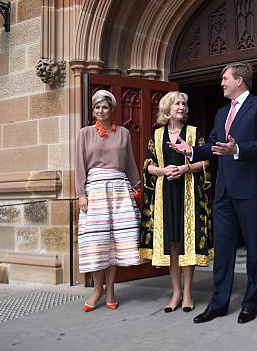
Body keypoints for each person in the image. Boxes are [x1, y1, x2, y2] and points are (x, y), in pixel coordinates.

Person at [168, 62, 257, 324]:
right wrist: (191, 150)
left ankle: (251, 303)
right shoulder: (221, 112)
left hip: (251, 190)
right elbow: (213, 145)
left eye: (225, 78)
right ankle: (219, 303)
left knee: (253, 250)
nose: (222, 83)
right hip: (224, 191)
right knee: (224, 250)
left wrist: (236, 150)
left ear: (239, 80)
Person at [140, 91, 213, 313]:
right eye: (177, 103)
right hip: (166, 193)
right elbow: (147, 165)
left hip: (188, 192)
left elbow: (206, 162)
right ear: (167, 109)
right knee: (172, 243)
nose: (181, 107)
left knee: (186, 242)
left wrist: (185, 168)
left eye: (184, 103)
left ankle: (188, 293)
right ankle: (176, 293)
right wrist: (163, 171)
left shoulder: (193, 133)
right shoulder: (157, 135)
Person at [75, 89, 142, 312]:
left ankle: (111, 289)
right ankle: (97, 290)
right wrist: (81, 194)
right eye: (97, 107)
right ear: (93, 111)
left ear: (112, 110)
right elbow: (79, 165)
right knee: (96, 242)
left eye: (105, 107)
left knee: (114, 243)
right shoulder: (84, 133)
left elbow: (130, 161)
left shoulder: (123, 132)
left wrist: (136, 187)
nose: (101, 111)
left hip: (120, 191)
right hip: (95, 191)